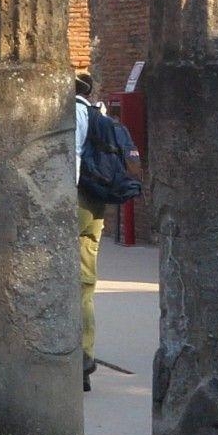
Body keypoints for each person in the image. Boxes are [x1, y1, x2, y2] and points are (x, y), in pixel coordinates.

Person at [74, 72, 142, 391]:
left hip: (75, 199)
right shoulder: (98, 115)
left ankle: (68, 354)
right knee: (85, 283)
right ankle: (85, 354)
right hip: (97, 201)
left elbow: (72, 158)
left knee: (57, 276)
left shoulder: (73, 114)